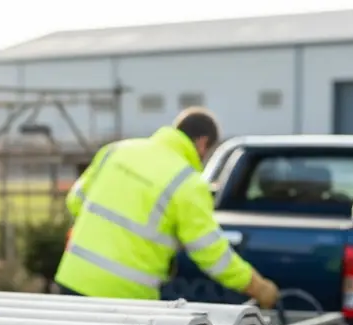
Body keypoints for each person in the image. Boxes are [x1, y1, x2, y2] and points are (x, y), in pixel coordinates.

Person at [54, 107, 279, 308]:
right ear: (202, 143)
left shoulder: (116, 151)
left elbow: (75, 201)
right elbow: (211, 254)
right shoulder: (187, 183)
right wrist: (256, 286)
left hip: (72, 280)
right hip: (125, 299)